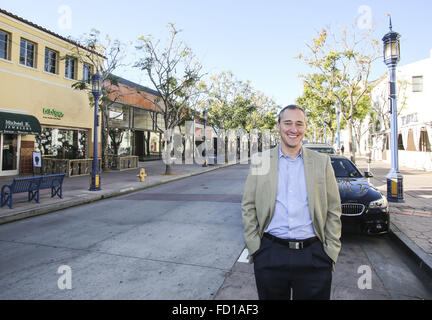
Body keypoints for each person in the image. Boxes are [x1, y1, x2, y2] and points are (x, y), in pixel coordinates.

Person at [241, 104, 342, 300]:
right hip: (270, 254)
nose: (293, 129)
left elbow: (333, 208)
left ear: (305, 128)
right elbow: (248, 205)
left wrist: (330, 251)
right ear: (278, 126)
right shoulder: (261, 161)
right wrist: (256, 247)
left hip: (314, 255)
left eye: (299, 124)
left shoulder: (322, 162)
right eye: (287, 123)